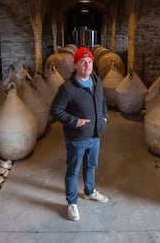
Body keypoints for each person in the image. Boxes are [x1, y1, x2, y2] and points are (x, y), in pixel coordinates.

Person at [50, 46, 109, 221]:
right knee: (73, 171)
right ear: (75, 65)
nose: (87, 65)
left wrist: (104, 119)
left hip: (95, 136)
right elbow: (56, 110)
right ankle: (72, 202)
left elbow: (103, 101)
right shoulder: (67, 88)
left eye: (89, 61)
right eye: (82, 62)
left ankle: (90, 191)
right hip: (76, 138)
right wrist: (75, 122)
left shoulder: (97, 81)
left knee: (91, 166)